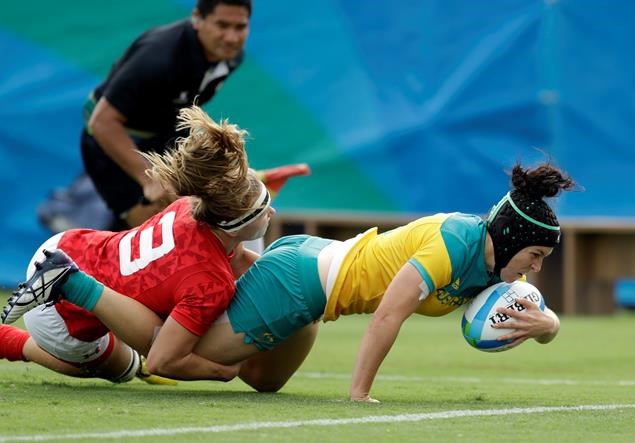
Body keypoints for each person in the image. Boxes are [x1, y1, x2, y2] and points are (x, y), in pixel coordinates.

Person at [3, 161, 572, 399]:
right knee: (163, 357)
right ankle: (51, 303)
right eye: (538, 255)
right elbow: (387, 316)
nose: (537, 268)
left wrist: (547, 325)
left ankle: (243, 233)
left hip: (310, 289)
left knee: (261, 384)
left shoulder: (491, 266)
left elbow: (497, 324)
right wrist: (359, 395)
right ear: (516, 240)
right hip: (301, 280)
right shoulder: (456, 241)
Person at [0, 105, 275, 384]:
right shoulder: (212, 284)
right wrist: (223, 371)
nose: (272, 213)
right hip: (60, 310)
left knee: (153, 314)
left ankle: (72, 285)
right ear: (234, 223)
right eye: (264, 209)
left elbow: (239, 257)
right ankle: (8, 337)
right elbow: (163, 360)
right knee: (121, 368)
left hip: (69, 245)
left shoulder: (189, 206)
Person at [82, 0, 252, 229]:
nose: (232, 37)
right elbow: (102, 122)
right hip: (115, 137)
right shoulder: (158, 57)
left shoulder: (230, 56)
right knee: (148, 231)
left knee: (197, 212)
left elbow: (184, 103)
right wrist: (149, 178)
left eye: (240, 27)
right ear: (197, 18)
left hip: (163, 130)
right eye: (222, 25)